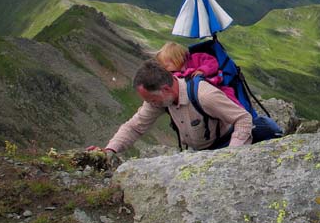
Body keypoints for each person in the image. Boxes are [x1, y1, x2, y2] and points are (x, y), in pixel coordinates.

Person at [88, 60, 253, 156]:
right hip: (197, 153)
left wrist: (231, 156)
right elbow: (134, 127)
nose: (151, 104)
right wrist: (109, 150)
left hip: (224, 147)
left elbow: (243, 118)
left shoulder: (204, 95)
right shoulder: (160, 99)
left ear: (165, 89)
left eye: (152, 99)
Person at [155, 42, 242, 107]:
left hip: (216, 85)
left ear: (177, 59)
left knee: (228, 96)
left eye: (166, 66)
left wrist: (203, 70)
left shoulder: (196, 58)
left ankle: (240, 113)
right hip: (199, 93)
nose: (165, 69)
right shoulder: (175, 74)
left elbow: (212, 63)